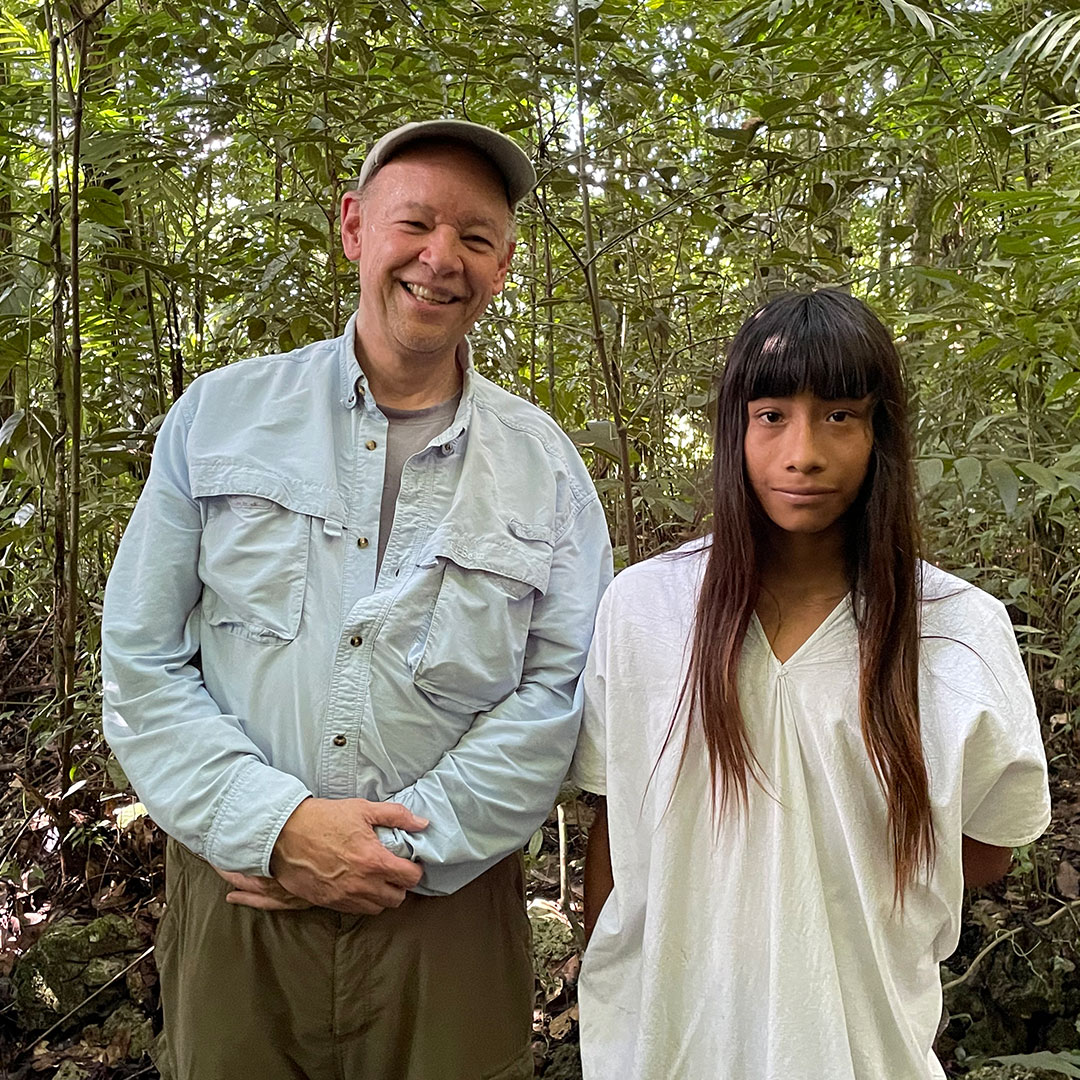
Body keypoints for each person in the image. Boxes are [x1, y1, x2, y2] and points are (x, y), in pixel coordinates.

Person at [102, 119, 612, 1080]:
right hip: (240, 896)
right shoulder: (221, 416)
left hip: (447, 914)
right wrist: (275, 826)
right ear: (353, 228)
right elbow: (141, 655)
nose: (439, 258)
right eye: (413, 222)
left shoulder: (543, 467)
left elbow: (562, 689)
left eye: (474, 237)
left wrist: (393, 851)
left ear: (503, 265)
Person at [572, 289, 1050, 1080]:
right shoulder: (645, 610)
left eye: (839, 416)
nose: (803, 453)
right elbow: (616, 824)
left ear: (880, 434)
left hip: (862, 1047)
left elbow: (988, 846)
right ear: (735, 430)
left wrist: (832, 866)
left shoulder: (957, 630)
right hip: (665, 1044)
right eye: (771, 416)